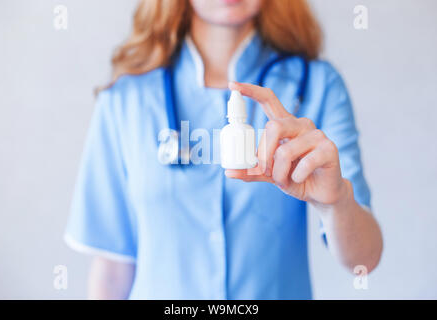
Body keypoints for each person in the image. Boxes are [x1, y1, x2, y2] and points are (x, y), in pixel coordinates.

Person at [65, 0, 383, 299]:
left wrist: (337, 202)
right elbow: (113, 269)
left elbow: (364, 261)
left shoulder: (318, 86)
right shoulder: (127, 97)